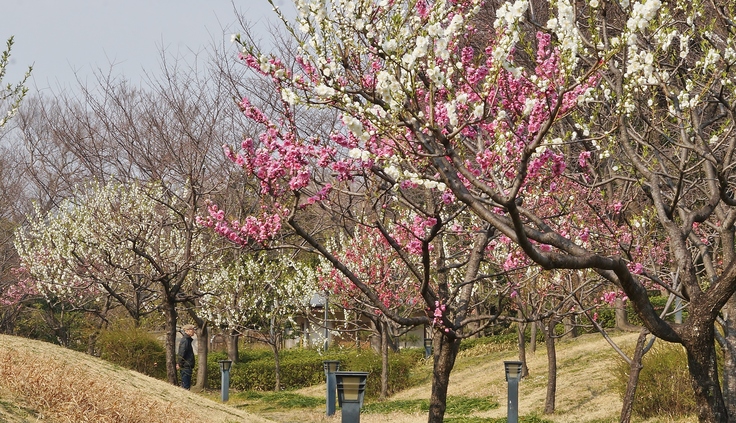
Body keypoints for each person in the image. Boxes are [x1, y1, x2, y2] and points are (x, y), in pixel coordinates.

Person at [177, 324, 196, 389]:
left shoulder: (187, 340)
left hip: (187, 365)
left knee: (187, 385)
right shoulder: (185, 340)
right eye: (192, 329)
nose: (194, 331)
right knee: (185, 386)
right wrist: (179, 363)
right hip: (185, 366)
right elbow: (182, 352)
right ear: (187, 331)